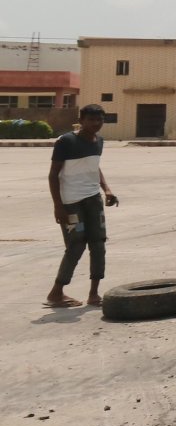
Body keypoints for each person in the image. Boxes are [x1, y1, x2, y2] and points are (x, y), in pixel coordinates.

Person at [46, 104, 119, 308]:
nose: (96, 124)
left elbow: (94, 167)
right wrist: (57, 206)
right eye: (92, 120)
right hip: (70, 203)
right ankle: (56, 293)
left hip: (93, 199)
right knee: (76, 246)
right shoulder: (66, 141)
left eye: (100, 120)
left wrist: (107, 189)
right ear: (82, 120)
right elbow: (53, 176)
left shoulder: (99, 141)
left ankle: (94, 294)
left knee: (98, 244)